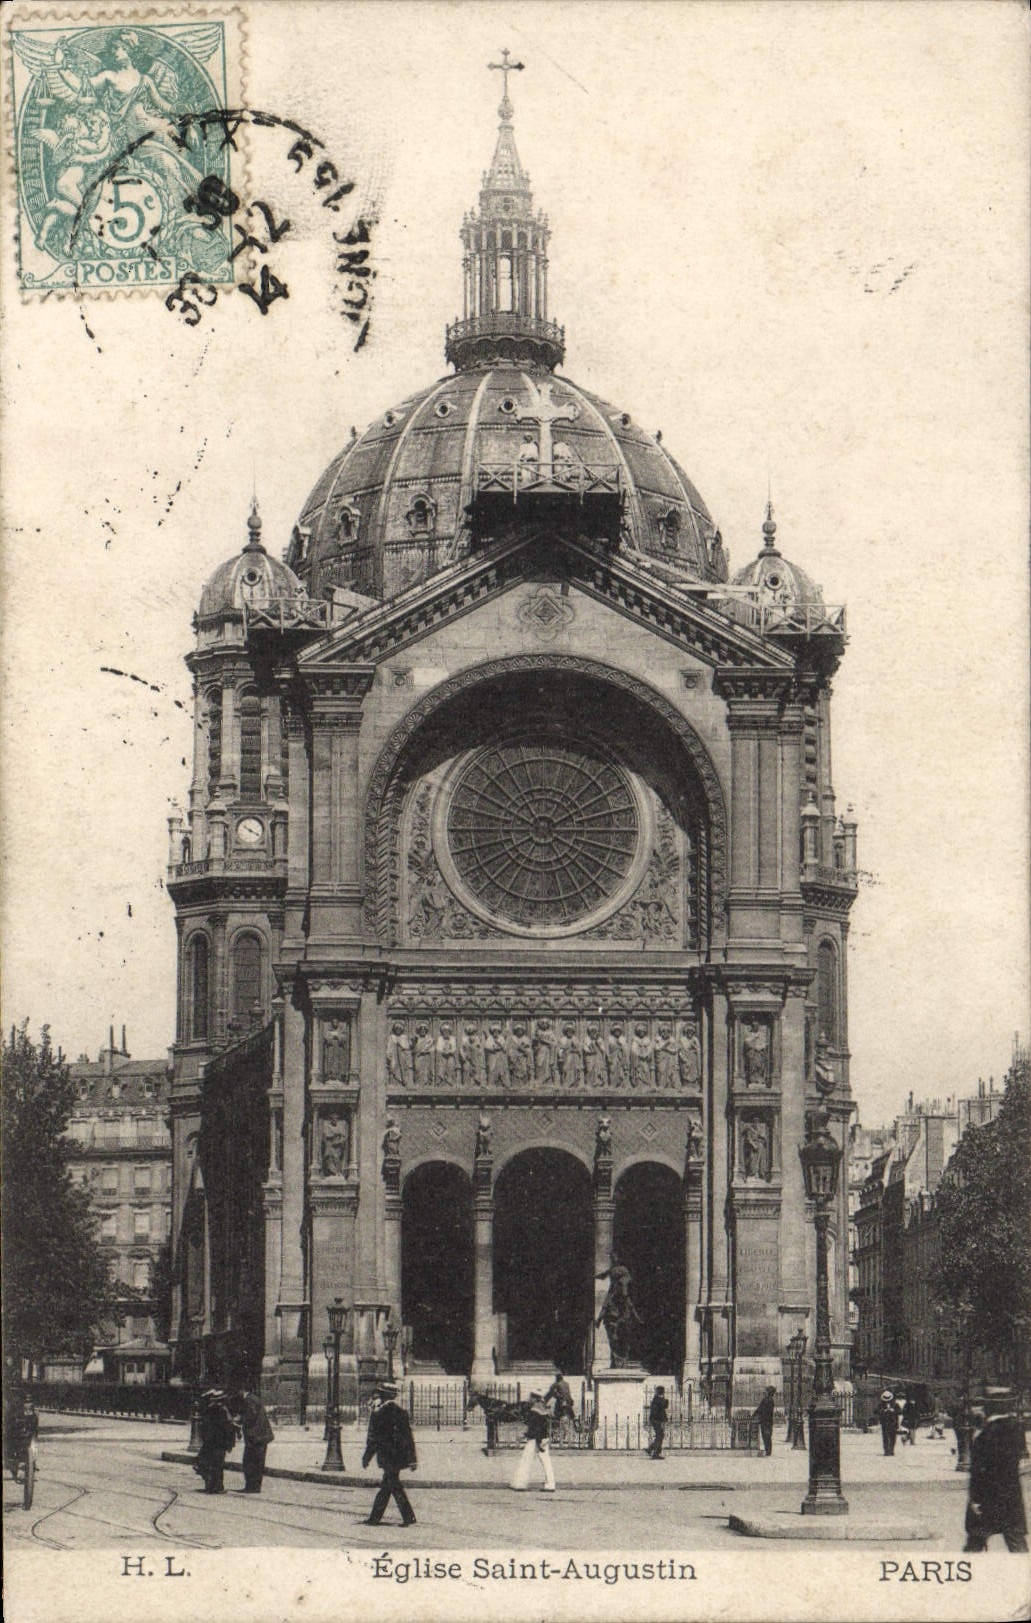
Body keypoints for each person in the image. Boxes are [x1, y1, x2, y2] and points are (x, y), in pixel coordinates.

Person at [964, 1391, 1028, 1553]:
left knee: (976, 1540)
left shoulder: (984, 1436)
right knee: (1016, 1540)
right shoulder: (1016, 1431)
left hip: (988, 1497)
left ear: (989, 1408)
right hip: (1012, 1496)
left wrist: (975, 1499)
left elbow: (979, 1472)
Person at [361, 1381, 417, 1527]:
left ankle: (378, 1518)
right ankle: (405, 1517)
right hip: (398, 1457)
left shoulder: (380, 1414)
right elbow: (408, 1438)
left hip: (387, 1457)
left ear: (384, 1396)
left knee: (390, 1487)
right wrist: (412, 1459)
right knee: (390, 1486)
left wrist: (367, 1457)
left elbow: (374, 1440)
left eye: (380, 1393)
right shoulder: (401, 1412)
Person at [229, 1386, 274, 1494]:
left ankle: (251, 1486)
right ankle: (253, 1486)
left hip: (256, 1437)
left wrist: (238, 1421)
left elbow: (251, 1415)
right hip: (259, 1437)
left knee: (250, 1462)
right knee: (256, 1462)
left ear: (242, 1390)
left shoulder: (249, 1400)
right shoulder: (253, 1399)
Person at [510, 1392, 556, 1492]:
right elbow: (543, 1427)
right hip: (543, 1438)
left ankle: (520, 1483)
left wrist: (526, 1436)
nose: (530, 1399)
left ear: (535, 1398)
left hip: (535, 1440)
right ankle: (550, 1484)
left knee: (526, 1460)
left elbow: (534, 1427)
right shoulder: (543, 1409)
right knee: (546, 1462)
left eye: (531, 1397)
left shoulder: (535, 1410)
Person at [194, 1389, 237, 1494]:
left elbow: (227, 1428)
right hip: (213, 1442)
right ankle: (212, 1486)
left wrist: (229, 1443)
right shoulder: (216, 1410)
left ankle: (215, 1487)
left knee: (213, 1464)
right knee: (210, 1463)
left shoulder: (220, 1410)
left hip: (216, 1442)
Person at [544, 1367, 575, 1435]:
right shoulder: (566, 1383)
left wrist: (554, 1395)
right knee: (569, 1416)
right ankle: (572, 1427)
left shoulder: (557, 1384)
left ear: (557, 1378)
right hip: (569, 1402)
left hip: (562, 1402)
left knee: (558, 1414)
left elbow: (551, 1389)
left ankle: (561, 1429)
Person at [753, 1386, 776, 1457]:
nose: (764, 1392)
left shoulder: (766, 1400)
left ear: (768, 1392)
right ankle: (768, 1451)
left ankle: (768, 1451)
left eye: (766, 1391)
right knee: (767, 1436)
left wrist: (755, 1415)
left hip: (765, 1421)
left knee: (766, 1435)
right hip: (768, 1421)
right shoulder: (771, 1400)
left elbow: (760, 1409)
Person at [647, 1387, 670, 1459]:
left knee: (660, 1435)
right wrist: (665, 1399)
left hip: (656, 1420)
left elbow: (664, 1406)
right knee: (660, 1436)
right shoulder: (658, 1400)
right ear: (662, 1392)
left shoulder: (657, 1399)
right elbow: (664, 1406)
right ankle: (655, 1453)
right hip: (656, 1420)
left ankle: (651, 1449)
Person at [878, 1390, 898, 1456]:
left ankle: (892, 1450)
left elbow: (900, 1411)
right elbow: (876, 1411)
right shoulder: (881, 1404)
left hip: (893, 1422)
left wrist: (893, 1411)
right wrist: (884, 1411)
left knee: (893, 1437)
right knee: (885, 1437)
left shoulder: (895, 1404)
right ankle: (886, 1451)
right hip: (885, 1423)